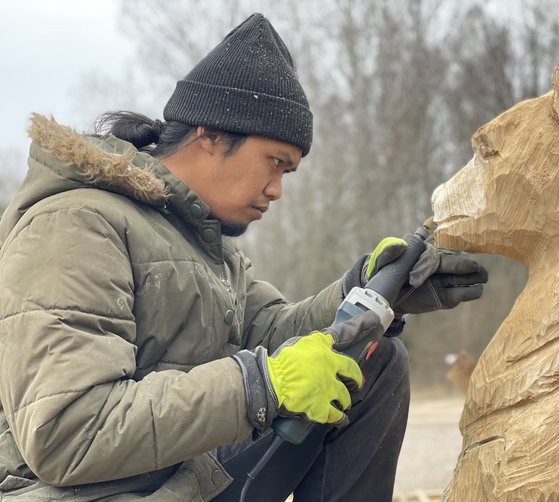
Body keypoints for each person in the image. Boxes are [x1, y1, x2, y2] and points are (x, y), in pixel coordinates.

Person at [0, 13, 487, 502]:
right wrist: (259, 386)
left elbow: (273, 332)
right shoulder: (74, 224)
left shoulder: (202, 243)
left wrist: (370, 291)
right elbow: (66, 433)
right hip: (93, 493)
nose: (276, 190)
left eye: (288, 173)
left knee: (371, 362)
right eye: (274, 163)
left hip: (182, 478)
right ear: (210, 135)